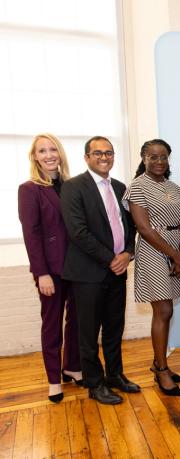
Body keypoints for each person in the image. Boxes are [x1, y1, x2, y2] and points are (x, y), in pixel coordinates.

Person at [61, 136, 139, 405]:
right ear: (86, 157)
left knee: (115, 328)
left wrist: (128, 253)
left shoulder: (119, 187)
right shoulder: (73, 187)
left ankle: (114, 375)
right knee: (89, 332)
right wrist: (111, 259)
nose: (104, 157)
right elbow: (78, 232)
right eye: (98, 153)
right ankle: (94, 384)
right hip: (88, 273)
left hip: (117, 271)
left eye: (109, 153)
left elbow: (131, 227)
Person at [18, 134, 81, 403]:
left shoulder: (70, 185)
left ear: (60, 153)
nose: (49, 155)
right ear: (34, 156)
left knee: (78, 321)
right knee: (52, 325)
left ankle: (73, 366)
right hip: (50, 269)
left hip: (77, 266)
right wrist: (41, 272)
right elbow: (31, 234)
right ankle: (54, 379)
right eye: (42, 151)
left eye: (53, 149)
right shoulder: (29, 189)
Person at [124, 139, 180, 396]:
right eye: (153, 157)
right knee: (162, 308)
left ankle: (159, 363)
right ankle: (161, 369)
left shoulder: (174, 187)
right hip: (154, 251)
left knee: (168, 309)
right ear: (144, 158)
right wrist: (174, 254)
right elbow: (144, 228)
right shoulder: (137, 187)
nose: (159, 161)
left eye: (164, 157)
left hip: (176, 250)